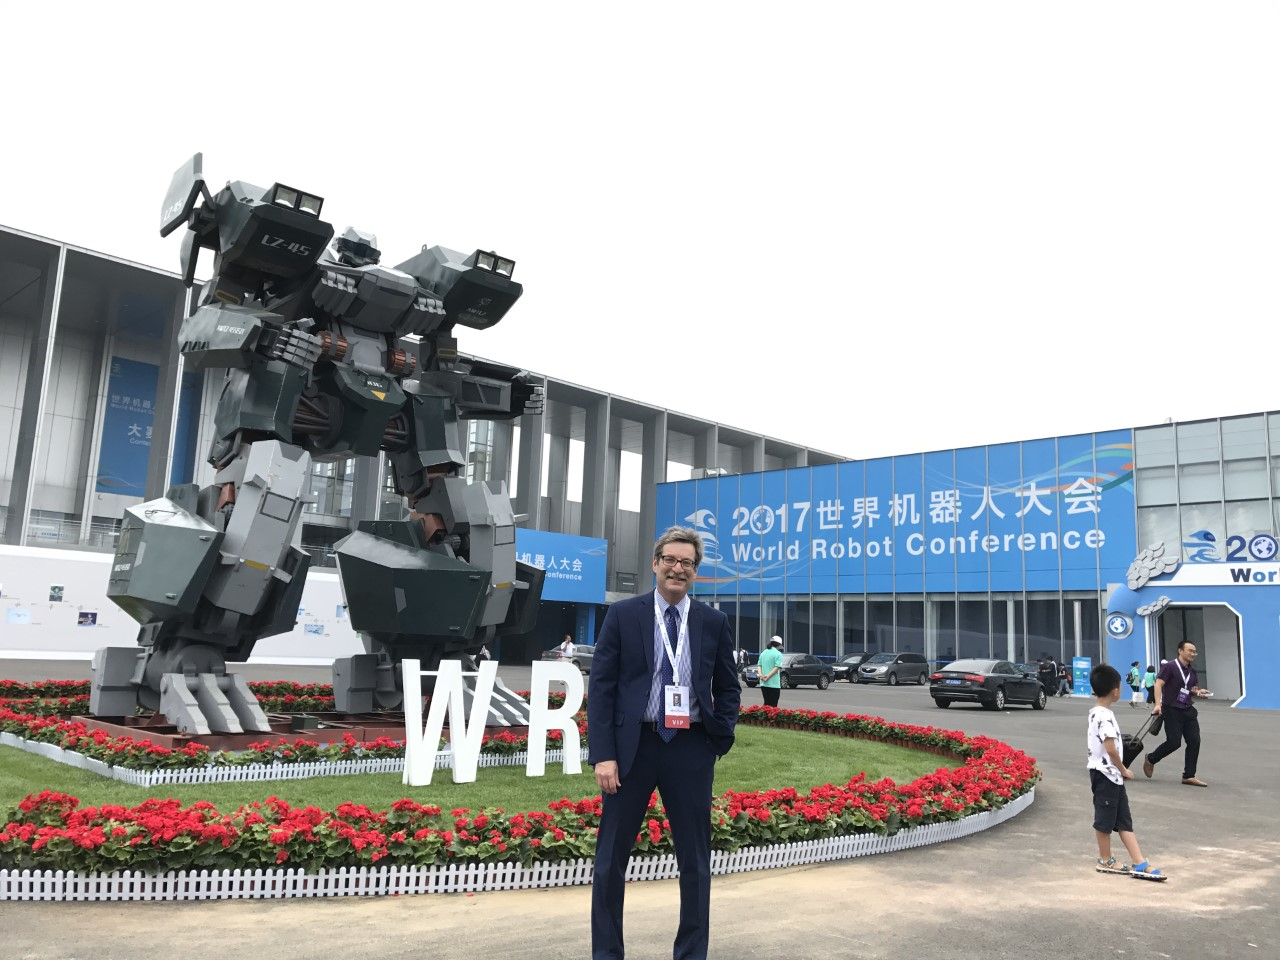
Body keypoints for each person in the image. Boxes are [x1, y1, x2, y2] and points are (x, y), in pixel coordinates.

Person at [587, 526, 740, 960]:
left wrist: (719, 738)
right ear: (655, 564)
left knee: (695, 861)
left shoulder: (713, 622)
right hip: (633, 747)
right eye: (671, 560)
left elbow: (728, 687)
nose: (678, 568)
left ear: (695, 571)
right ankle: (607, 953)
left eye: (687, 563)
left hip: (690, 749)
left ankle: (691, 953)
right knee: (610, 861)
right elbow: (601, 688)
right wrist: (603, 755)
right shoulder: (625, 615)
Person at [1087, 663, 1166, 880]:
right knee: (1104, 819)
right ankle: (1105, 860)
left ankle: (1139, 862)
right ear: (1115, 691)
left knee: (1123, 820)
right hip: (1106, 774)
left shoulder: (1097, 712)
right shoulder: (1104, 716)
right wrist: (1123, 769)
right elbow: (1110, 747)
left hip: (1109, 775)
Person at [1143, 639, 1211, 787]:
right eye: (1190, 651)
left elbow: (1191, 688)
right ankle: (1151, 759)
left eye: (1194, 651)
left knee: (1194, 741)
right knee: (1174, 742)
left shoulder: (1192, 671)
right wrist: (1157, 704)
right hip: (1172, 709)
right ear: (1180, 651)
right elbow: (1158, 684)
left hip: (1188, 709)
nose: (1193, 653)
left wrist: (1198, 691)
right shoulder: (1169, 667)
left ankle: (1189, 775)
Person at [757, 636, 784, 708]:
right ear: (779, 644)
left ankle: (763, 719)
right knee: (773, 706)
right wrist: (767, 677)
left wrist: (761, 675)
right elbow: (776, 668)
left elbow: (759, 665)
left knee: (766, 704)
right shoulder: (778, 654)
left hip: (763, 683)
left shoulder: (763, 653)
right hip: (773, 684)